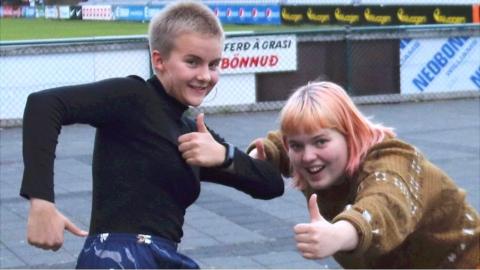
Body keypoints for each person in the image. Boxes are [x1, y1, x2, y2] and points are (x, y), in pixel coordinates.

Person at [20, 1, 284, 269]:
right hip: (117, 260)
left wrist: (226, 157)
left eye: (214, 64)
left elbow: (271, 185)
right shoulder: (133, 97)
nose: (205, 76)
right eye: (192, 62)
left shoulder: (192, 132)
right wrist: (41, 202)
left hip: (162, 259)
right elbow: (44, 105)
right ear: (159, 60)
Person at [248, 81, 479, 268]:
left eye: (320, 141)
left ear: (350, 135)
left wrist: (339, 234)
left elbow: (384, 204)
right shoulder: (315, 157)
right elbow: (281, 141)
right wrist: (257, 157)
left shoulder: (392, 161)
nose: (307, 157)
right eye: (297, 146)